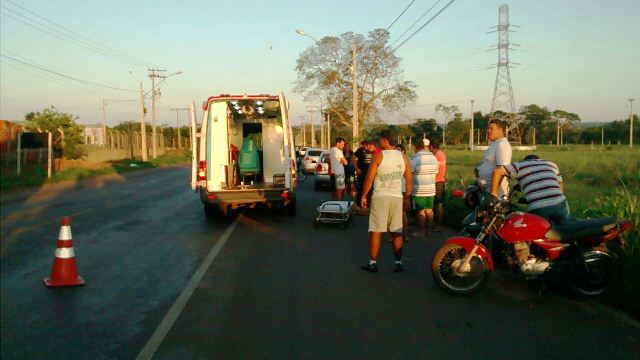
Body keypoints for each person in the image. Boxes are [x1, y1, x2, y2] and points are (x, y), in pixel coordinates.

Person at [360, 130, 413, 273]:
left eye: (381, 140)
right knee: (396, 231)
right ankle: (398, 262)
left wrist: (364, 195)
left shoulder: (378, 156)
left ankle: (373, 263)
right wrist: (407, 197)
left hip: (380, 196)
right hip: (397, 197)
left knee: (376, 230)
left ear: (385, 140)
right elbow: (409, 180)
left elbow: (369, 179)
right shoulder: (403, 157)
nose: (379, 142)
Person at [489, 154, 570, 223]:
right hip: (561, 204)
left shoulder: (520, 165)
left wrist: (494, 195)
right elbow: (560, 182)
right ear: (539, 159)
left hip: (540, 208)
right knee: (563, 227)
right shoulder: (551, 164)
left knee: (534, 232)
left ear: (525, 161)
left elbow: (497, 171)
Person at [411, 138, 439, 237]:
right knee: (429, 210)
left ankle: (421, 231)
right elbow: (436, 171)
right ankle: (429, 230)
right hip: (431, 188)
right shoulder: (433, 157)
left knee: (421, 211)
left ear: (415, 147)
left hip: (419, 190)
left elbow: (409, 172)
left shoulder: (414, 158)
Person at [476, 119, 512, 195]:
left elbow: (502, 170)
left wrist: (493, 194)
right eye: (488, 128)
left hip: (495, 192)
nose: (488, 131)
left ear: (500, 130)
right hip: (486, 189)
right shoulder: (495, 144)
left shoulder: (502, 145)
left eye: (491, 128)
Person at [428, 137, 446, 230]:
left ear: (431, 146)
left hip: (436, 181)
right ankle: (439, 222)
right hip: (441, 181)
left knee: (436, 203)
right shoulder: (441, 154)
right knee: (439, 202)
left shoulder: (435, 156)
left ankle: (436, 223)